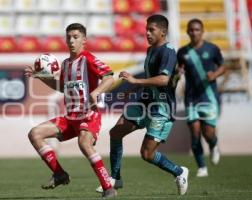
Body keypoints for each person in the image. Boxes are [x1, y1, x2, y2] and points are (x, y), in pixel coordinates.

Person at [96, 14, 189, 195]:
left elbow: (163, 79)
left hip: (161, 107)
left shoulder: (168, 51)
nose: (147, 33)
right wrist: (134, 89)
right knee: (115, 132)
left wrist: (135, 82)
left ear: (163, 32)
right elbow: (150, 79)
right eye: (146, 29)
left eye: (151, 29)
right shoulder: (151, 50)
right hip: (144, 101)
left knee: (147, 154)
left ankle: (179, 172)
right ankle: (115, 178)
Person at [25, 23, 117, 198]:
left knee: (84, 143)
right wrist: (40, 76)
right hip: (70, 117)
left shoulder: (88, 59)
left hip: (89, 115)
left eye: (75, 37)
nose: (71, 40)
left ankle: (108, 188)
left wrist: (96, 92)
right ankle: (59, 174)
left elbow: (109, 78)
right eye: (68, 37)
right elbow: (62, 87)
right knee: (34, 134)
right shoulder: (66, 64)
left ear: (84, 40)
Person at [177, 18, 225, 177]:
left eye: (197, 30)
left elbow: (223, 66)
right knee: (195, 132)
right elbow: (179, 69)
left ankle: (214, 144)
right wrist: (179, 72)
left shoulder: (212, 49)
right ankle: (202, 167)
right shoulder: (183, 52)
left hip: (209, 97)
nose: (194, 32)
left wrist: (215, 74)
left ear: (202, 31)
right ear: (187, 32)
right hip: (191, 98)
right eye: (191, 30)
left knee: (208, 132)